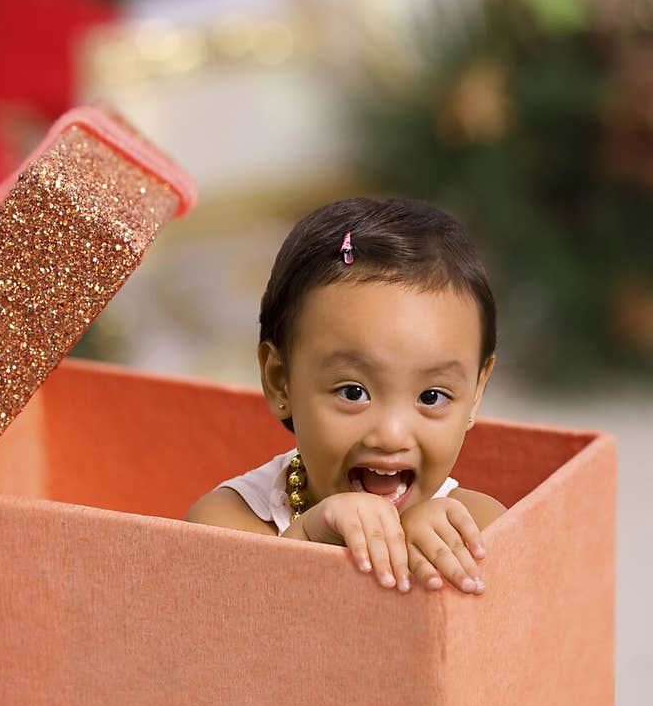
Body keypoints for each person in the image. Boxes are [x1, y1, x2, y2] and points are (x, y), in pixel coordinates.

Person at [185, 197, 506, 594]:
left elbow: (520, 642)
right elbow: (212, 638)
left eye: (431, 397)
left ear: (475, 394)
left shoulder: (480, 530)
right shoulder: (227, 525)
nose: (391, 435)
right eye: (353, 392)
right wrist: (306, 540)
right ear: (279, 378)